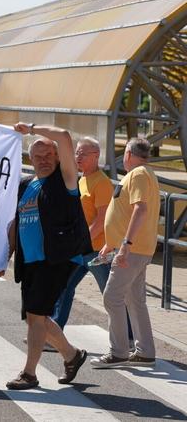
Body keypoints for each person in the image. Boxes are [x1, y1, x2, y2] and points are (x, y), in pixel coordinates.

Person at [4, 123, 92, 390]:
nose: (43, 161)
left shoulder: (65, 180)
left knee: (36, 314)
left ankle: (29, 373)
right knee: (36, 317)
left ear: (57, 157)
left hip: (57, 258)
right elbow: (14, 225)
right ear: (30, 159)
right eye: (38, 156)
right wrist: (4, 259)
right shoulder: (25, 185)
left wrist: (30, 128)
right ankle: (72, 355)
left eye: (48, 156)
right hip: (30, 261)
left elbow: (65, 136)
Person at [91, 138, 159, 368]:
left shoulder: (138, 174)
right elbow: (125, 212)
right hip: (136, 248)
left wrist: (125, 245)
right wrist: (112, 243)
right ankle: (145, 351)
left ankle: (119, 351)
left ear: (128, 153)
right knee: (134, 300)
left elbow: (140, 209)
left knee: (112, 297)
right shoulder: (144, 173)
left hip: (132, 249)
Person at [51, 137, 114, 327]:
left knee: (111, 296)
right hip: (79, 250)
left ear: (96, 156)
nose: (78, 157)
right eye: (76, 152)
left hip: (96, 251)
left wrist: (80, 241)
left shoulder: (101, 183)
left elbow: (103, 219)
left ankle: (128, 337)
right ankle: (54, 334)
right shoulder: (82, 179)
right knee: (63, 288)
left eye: (82, 153)